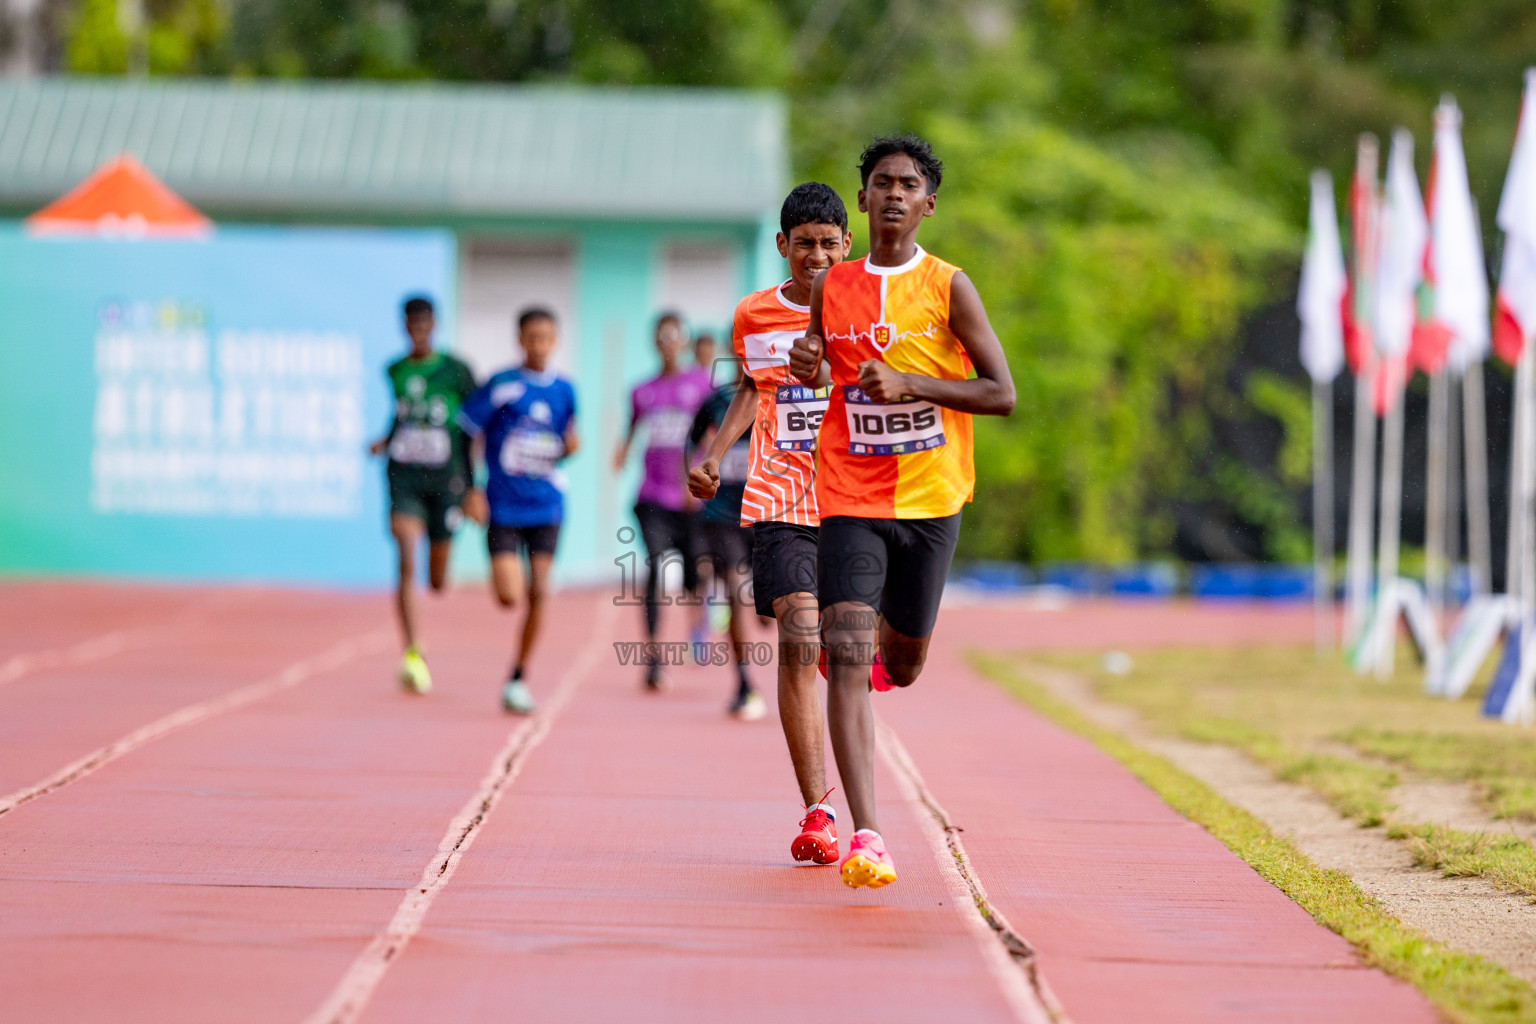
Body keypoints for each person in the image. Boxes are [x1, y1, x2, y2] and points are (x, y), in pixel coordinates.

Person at [789, 136, 1015, 889]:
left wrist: (915, 385)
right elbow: (817, 360)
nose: (892, 194)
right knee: (847, 655)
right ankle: (869, 835)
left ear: (928, 204)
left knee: (904, 666)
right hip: (848, 494)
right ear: (862, 199)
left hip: (929, 499)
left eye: (907, 185)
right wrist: (809, 362)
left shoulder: (950, 287)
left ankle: (875, 658)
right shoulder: (834, 285)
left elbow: (1000, 393)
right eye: (880, 183)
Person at [689, 181, 852, 865]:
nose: (816, 256)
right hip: (780, 500)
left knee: (862, 653)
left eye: (828, 244)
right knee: (796, 631)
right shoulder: (754, 315)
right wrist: (716, 453)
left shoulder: (868, 307)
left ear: (847, 247)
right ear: (782, 246)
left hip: (854, 498)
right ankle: (818, 811)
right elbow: (754, 389)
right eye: (803, 243)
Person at [458, 308, 578, 715]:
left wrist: (569, 447)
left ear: (555, 340)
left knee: (540, 591)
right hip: (504, 507)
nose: (539, 344)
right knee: (510, 596)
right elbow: (467, 433)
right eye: (531, 337)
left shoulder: (565, 390)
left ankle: (518, 677)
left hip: (547, 505)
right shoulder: (502, 385)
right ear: (520, 340)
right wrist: (470, 489)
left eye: (546, 336)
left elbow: (563, 439)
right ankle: (516, 670)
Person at [369, 295, 478, 695]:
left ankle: (419, 632)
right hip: (404, 477)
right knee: (404, 556)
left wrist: (472, 487)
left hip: (446, 481)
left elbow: (472, 428)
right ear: (403, 326)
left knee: (436, 580)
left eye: (425, 324)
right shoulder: (395, 370)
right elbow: (402, 414)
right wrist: (385, 440)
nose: (418, 331)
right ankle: (412, 651)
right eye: (411, 324)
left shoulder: (457, 371)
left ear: (435, 325)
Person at [615, 313, 713, 691]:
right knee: (655, 568)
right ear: (654, 342)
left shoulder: (702, 384)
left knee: (694, 573)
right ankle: (654, 658)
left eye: (675, 336)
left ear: (684, 341)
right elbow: (633, 424)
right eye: (662, 336)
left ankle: (697, 625)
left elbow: (713, 433)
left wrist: (700, 478)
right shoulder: (642, 390)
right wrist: (621, 451)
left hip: (691, 501)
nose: (669, 343)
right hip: (652, 497)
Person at [686, 359, 765, 722]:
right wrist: (692, 479)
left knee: (769, 608)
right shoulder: (716, 402)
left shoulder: (782, 399)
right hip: (725, 515)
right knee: (735, 589)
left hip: (770, 512)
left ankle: (767, 611)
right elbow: (690, 441)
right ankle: (744, 680)